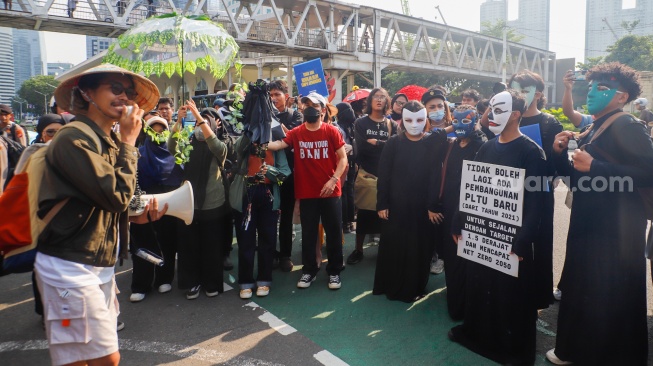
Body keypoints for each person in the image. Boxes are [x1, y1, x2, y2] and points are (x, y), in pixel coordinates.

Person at [34, 64, 159, 366]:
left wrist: (135, 218)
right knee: (98, 359)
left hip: (96, 263)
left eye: (129, 93)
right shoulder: (72, 138)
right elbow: (115, 196)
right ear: (87, 92)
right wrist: (130, 142)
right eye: (115, 89)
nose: (125, 98)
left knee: (93, 358)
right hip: (69, 265)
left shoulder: (108, 140)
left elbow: (106, 202)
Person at [546, 62, 653, 366]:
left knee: (612, 290)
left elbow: (649, 172)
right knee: (583, 287)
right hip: (588, 220)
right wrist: (560, 153)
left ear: (622, 96)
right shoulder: (593, 126)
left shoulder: (627, 125)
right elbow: (578, 178)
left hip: (616, 228)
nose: (592, 92)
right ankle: (574, 349)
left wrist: (596, 167)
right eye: (591, 86)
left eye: (602, 88)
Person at [448, 90, 550, 365]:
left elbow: (537, 203)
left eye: (498, 110)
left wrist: (522, 239)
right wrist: (460, 219)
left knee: (510, 295)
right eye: (490, 109)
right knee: (480, 286)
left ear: (516, 115)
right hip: (483, 234)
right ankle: (478, 336)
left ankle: (509, 348)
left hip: (511, 238)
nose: (490, 116)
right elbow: (470, 188)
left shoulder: (532, 152)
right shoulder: (486, 147)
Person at [267, 92, 348, 290]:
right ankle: (309, 270)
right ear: (301, 108)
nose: (310, 108)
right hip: (306, 192)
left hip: (331, 191)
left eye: (315, 105)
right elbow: (279, 144)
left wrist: (333, 180)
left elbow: (343, 159)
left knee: (334, 232)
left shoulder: (331, 131)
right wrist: (258, 142)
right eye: (307, 105)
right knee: (309, 233)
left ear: (323, 109)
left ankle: (335, 272)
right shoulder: (297, 132)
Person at [373, 101, 450, 302]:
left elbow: (435, 175)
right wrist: (382, 203)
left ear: (426, 120)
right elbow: (384, 174)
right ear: (402, 120)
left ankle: (413, 287)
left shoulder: (431, 142)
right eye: (408, 119)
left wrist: (433, 206)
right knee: (394, 246)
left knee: (419, 248)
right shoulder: (393, 143)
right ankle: (390, 285)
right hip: (396, 206)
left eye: (419, 119)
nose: (414, 124)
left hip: (421, 207)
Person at [508, 69, 561, 309]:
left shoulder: (549, 122)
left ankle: (538, 293)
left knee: (538, 242)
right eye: (513, 89)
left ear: (538, 94)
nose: (517, 94)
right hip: (508, 191)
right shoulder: (506, 118)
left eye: (523, 90)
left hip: (538, 192)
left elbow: (554, 164)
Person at [168, 99, 229, 300]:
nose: (200, 126)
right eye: (197, 123)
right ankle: (192, 283)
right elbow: (172, 146)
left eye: (205, 121)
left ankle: (211, 283)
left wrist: (199, 118)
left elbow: (216, 146)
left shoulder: (220, 145)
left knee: (211, 245)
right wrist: (178, 121)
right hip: (188, 202)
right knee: (189, 245)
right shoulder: (189, 143)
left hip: (213, 203)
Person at [431, 105, 486, 320]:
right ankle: (455, 301)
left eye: (466, 121)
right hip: (448, 206)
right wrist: (449, 128)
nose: (460, 125)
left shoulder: (482, 146)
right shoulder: (451, 144)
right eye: (457, 120)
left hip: (470, 209)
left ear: (475, 121)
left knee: (468, 258)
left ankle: (467, 304)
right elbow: (429, 140)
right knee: (452, 258)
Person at [129, 116, 183, 303]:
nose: (158, 135)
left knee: (166, 243)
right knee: (142, 244)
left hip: (168, 205)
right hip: (142, 205)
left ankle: (164, 278)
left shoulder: (175, 154)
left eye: (162, 131)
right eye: (154, 130)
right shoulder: (139, 153)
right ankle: (141, 285)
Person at [230, 132, 290, 299]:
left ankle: (264, 279)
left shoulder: (275, 145)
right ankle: (245, 281)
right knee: (245, 239)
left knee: (268, 238)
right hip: (245, 194)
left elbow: (284, 173)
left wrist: (270, 171)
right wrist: (248, 131)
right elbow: (236, 148)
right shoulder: (245, 142)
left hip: (268, 194)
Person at [347, 88, 397, 265]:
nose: (379, 100)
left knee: (386, 216)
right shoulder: (361, 123)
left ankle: (384, 251)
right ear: (369, 101)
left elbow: (395, 148)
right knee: (364, 215)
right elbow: (362, 148)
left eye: (383, 97)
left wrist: (378, 142)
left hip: (387, 176)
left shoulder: (391, 125)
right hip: (367, 173)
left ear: (387, 101)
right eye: (376, 97)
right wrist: (385, 145)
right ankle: (358, 249)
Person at [269, 80, 303, 272]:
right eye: (271, 95)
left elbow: (292, 139)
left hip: (289, 174)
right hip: (268, 173)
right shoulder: (263, 115)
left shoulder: (296, 116)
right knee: (269, 215)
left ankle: (285, 255)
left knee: (287, 214)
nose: (274, 99)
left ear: (286, 95)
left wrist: (275, 123)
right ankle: (270, 252)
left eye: (277, 94)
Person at [421, 88, 451, 274]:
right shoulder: (420, 128)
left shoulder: (457, 126)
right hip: (425, 183)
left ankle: (442, 256)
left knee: (445, 223)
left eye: (440, 105)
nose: (437, 109)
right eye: (432, 106)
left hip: (448, 184)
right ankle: (430, 254)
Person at [335, 102, 357, 233]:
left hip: (343, 163)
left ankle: (343, 223)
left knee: (342, 193)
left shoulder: (338, 128)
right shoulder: (353, 126)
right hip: (353, 163)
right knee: (350, 192)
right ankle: (350, 222)